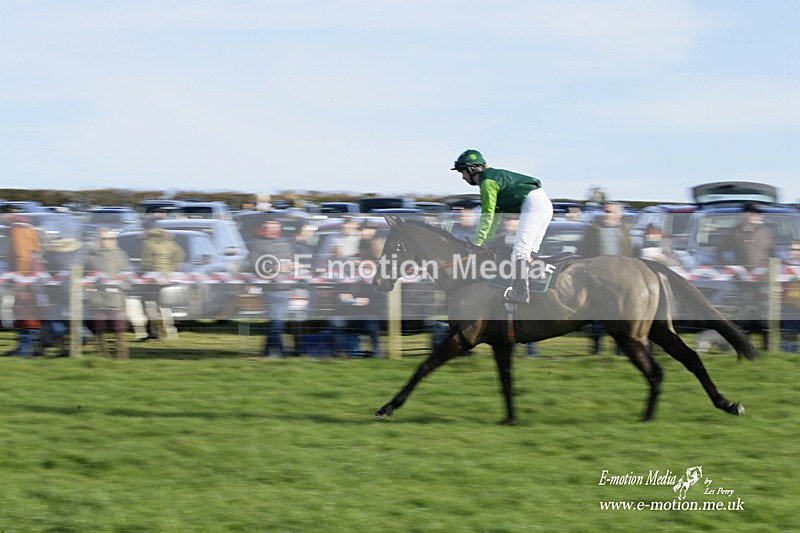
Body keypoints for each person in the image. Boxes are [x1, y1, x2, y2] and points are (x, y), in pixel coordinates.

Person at [452, 149, 553, 304]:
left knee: (520, 252)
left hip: (534, 205)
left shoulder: (487, 182)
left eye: (462, 172)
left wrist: (477, 243)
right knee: (530, 252)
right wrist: (487, 242)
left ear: (472, 169)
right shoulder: (492, 179)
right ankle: (537, 291)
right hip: (541, 204)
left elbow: (487, 215)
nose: (463, 177)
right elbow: (496, 219)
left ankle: (520, 293)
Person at [579, 201, 633, 355]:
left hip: (620, 277)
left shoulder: (624, 230)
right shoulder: (594, 229)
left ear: (618, 214)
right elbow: (585, 252)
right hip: (599, 277)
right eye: (605, 211)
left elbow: (629, 252)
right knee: (598, 315)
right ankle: (596, 347)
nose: (606, 215)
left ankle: (620, 348)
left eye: (609, 212)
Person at [250, 219, 295, 357]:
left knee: (276, 323)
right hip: (271, 290)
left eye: (276, 225)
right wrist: (275, 268)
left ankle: (266, 352)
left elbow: (292, 259)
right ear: (264, 227)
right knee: (277, 324)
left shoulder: (285, 243)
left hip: (286, 288)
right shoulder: (257, 244)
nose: (273, 228)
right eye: (269, 225)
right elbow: (255, 265)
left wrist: (294, 266)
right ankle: (281, 353)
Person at [85, 228, 131, 359]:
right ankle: (102, 351)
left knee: (118, 326)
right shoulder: (90, 256)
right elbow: (85, 274)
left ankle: (121, 352)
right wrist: (89, 286)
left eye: (110, 239)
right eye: (103, 238)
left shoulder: (121, 255)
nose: (106, 242)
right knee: (99, 326)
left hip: (115, 296)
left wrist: (123, 286)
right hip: (98, 298)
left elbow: (126, 273)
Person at [139, 219, 185, 340]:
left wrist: (142, 272)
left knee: (148, 304)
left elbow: (146, 262)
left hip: (153, 279)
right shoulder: (168, 241)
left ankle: (155, 331)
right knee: (164, 305)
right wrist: (171, 268)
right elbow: (180, 254)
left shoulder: (148, 242)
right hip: (166, 278)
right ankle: (169, 330)